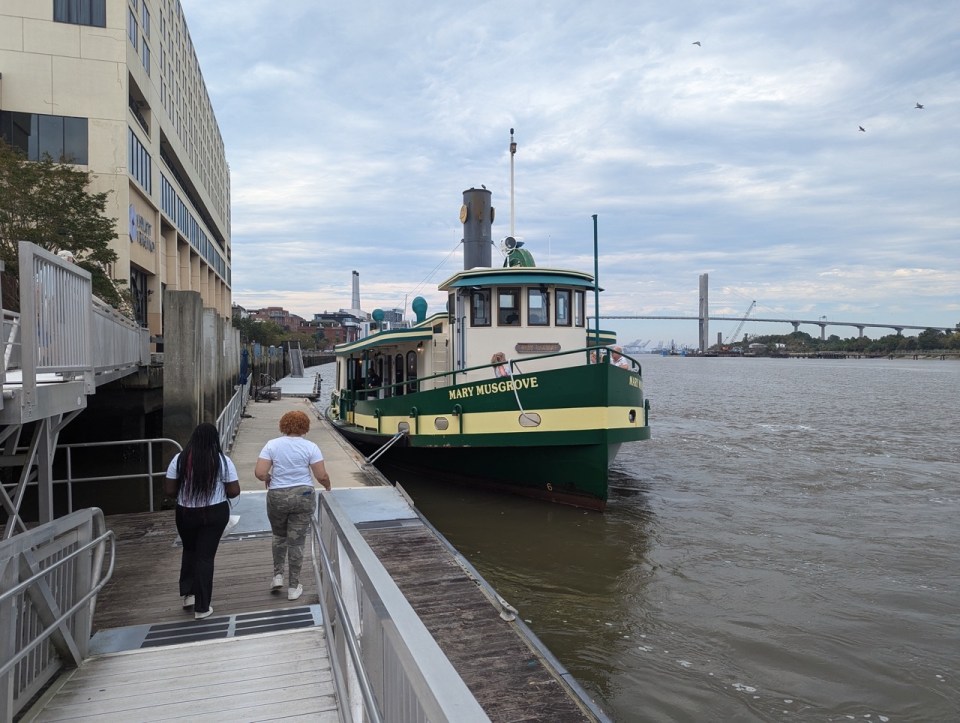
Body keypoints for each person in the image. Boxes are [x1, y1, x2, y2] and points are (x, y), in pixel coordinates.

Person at [164, 423, 240, 620]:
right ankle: (202, 607)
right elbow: (233, 492)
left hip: (185, 512)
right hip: (214, 513)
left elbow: (170, 491)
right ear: (215, 440)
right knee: (205, 557)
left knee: (189, 550)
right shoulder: (223, 461)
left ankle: (189, 595)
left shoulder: (179, 460)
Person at [254, 410, 331, 601]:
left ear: (283, 425)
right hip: (303, 496)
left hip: (277, 496)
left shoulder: (272, 445)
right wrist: (328, 486)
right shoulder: (311, 447)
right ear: (305, 427)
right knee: (296, 542)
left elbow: (260, 472)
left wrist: (269, 477)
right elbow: (321, 475)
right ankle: (293, 586)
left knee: (279, 536)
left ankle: (277, 575)